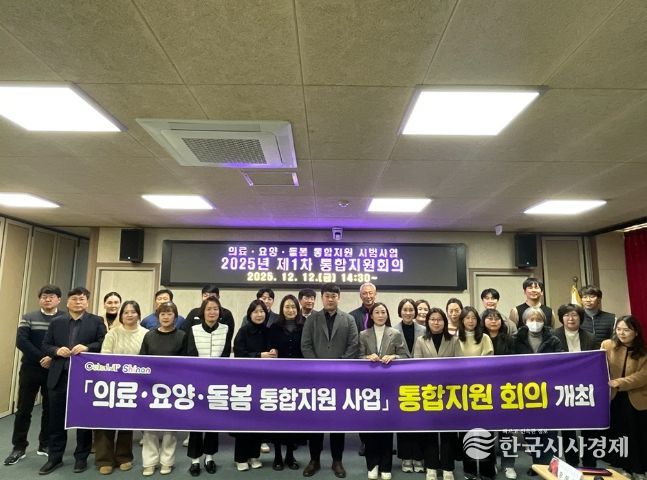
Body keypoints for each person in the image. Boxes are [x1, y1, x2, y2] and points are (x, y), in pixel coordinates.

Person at [39, 287, 106, 475]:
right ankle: (55, 458)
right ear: (67, 302)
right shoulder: (57, 322)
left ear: (87, 302)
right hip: (59, 376)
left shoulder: (96, 321)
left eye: (82, 299)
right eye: (74, 299)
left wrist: (87, 347)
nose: (78, 302)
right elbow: (45, 344)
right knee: (56, 419)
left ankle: (81, 457)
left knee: (83, 419)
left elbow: (103, 343)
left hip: (85, 378)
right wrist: (56, 351)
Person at [301, 283, 359, 478]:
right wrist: (318, 366)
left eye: (334, 296)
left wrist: (338, 366)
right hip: (316, 377)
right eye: (327, 295)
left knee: (338, 422)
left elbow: (353, 345)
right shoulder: (312, 319)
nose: (330, 299)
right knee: (315, 421)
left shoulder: (349, 319)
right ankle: (314, 460)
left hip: (340, 378)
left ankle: (337, 461)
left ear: (338, 298)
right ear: (322, 297)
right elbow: (306, 345)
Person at [4, 285, 64, 466]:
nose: (48, 299)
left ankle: (45, 444)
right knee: (24, 408)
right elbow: (21, 341)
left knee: (50, 409)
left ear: (59, 300)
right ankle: (19, 447)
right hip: (31, 368)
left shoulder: (64, 319)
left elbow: (65, 342)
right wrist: (41, 358)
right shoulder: (28, 317)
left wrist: (51, 357)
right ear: (39, 299)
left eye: (52, 296)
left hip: (54, 369)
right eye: (44, 296)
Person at [94, 300, 147, 474]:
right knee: (105, 421)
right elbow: (104, 356)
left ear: (139, 314)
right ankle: (104, 460)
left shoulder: (146, 334)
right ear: (121, 315)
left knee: (126, 421)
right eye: (126, 312)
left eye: (133, 312)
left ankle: (124, 457)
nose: (130, 315)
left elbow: (147, 360)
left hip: (133, 384)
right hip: (111, 382)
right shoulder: (113, 333)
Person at [359, 302, 408, 480]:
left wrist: (394, 356)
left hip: (389, 387)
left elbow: (406, 356)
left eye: (383, 312)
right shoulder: (363, 335)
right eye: (377, 312)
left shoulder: (395, 333)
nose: (380, 315)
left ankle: (386, 466)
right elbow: (356, 357)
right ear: (371, 316)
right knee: (371, 428)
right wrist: (367, 357)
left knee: (387, 427)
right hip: (369, 388)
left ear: (387, 315)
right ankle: (372, 465)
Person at [511, 307, 563, 472]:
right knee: (531, 431)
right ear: (525, 322)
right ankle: (537, 465)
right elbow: (509, 364)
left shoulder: (553, 340)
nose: (535, 323)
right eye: (531, 319)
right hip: (525, 392)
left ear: (544, 321)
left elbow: (561, 362)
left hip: (548, 391)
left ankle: (550, 467)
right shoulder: (516, 340)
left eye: (538, 319)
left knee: (550, 431)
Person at [139, 301, 187, 476]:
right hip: (151, 385)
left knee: (169, 427)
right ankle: (149, 462)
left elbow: (186, 362)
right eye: (162, 314)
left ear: (175, 316)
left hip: (173, 386)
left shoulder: (182, 336)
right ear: (157, 317)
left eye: (169, 314)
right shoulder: (149, 335)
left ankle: (167, 461)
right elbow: (142, 360)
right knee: (149, 426)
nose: (166, 317)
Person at [185, 295, 231, 476]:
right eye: (209, 309)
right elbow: (190, 354)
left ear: (220, 312)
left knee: (213, 422)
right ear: (202, 312)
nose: (212, 312)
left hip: (217, 382)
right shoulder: (194, 329)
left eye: (215, 309)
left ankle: (209, 457)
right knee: (196, 422)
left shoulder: (226, 329)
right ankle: (195, 460)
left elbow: (226, 355)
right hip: (196, 380)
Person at [413, 308, 460, 480]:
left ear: (444, 322)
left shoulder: (453, 340)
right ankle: (431, 466)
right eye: (432, 319)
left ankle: (447, 468)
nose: (436, 322)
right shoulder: (421, 340)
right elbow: (417, 365)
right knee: (430, 431)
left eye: (439, 319)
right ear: (428, 322)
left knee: (448, 432)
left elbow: (459, 364)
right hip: (429, 392)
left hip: (449, 392)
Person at [553, 303, 599, 468]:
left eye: (574, 315)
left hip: (584, 386)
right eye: (566, 315)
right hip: (562, 386)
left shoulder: (590, 337)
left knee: (589, 425)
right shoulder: (553, 336)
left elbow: (596, 362)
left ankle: (590, 462)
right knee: (567, 426)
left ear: (580, 317)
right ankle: (571, 462)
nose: (570, 318)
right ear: (561, 318)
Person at [601, 315, 647, 479]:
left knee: (638, 435)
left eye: (626, 330)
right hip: (614, 398)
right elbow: (598, 365)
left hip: (637, 398)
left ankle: (639, 470)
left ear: (636, 332)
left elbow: (643, 376)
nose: (621, 333)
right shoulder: (607, 345)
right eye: (619, 329)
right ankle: (625, 468)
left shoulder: (644, 351)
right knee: (620, 435)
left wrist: (620, 382)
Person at [233, 300, 275, 471]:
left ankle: (254, 455)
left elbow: (273, 352)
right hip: (245, 381)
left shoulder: (268, 331)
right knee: (243, 421)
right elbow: (239, 353)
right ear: (250, 314)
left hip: (263, 382)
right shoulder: (243, 331)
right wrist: (259, 355)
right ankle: (241, 458)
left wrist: (273, 352)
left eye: (262, 311)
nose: (259, 315)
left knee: (259, 420)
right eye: (256, 311)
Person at [268, 295, 305, 470]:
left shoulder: (304, 326)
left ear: (298, 309)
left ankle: (290, 455)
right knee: (277, 419)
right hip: (278, 378)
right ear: (282, 309)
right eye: (287, 307)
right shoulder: (274, 327)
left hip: (298, 379)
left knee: (293, 419)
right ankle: (277, 456)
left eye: (293, 307)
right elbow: (269, 348)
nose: (290, 310)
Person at [457, 307, 495, 480]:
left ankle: (487, 470)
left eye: (473, 318)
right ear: (462, 320)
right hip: (463, 390)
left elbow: (488, 361)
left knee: (485, 429)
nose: (470, 321)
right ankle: (470, 470)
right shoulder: (456, 338)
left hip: (482, 389)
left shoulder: (485, 338)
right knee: (467, 431)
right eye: (467, 318)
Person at [481, 309, 516, 479]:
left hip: (505, 388)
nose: (493, 321)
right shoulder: (479, 338)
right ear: (483, 321)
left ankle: (509, 464)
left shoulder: (509, 339)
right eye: (489, 318)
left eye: (497, 318)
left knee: (507, 429)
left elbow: (516, 363)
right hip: (484, 389)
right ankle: (490, 463)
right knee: (487, 429)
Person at [393, 298, 425, 473]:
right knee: (404, 420)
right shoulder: (392, 331)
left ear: (415, 312)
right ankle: (406, 457)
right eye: (404, 309)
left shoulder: (424, 330)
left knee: (420, 420)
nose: (408, 313)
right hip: (401, 381)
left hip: (421, 382)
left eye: (411, 309)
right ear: (400, 311)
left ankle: (419, 457)